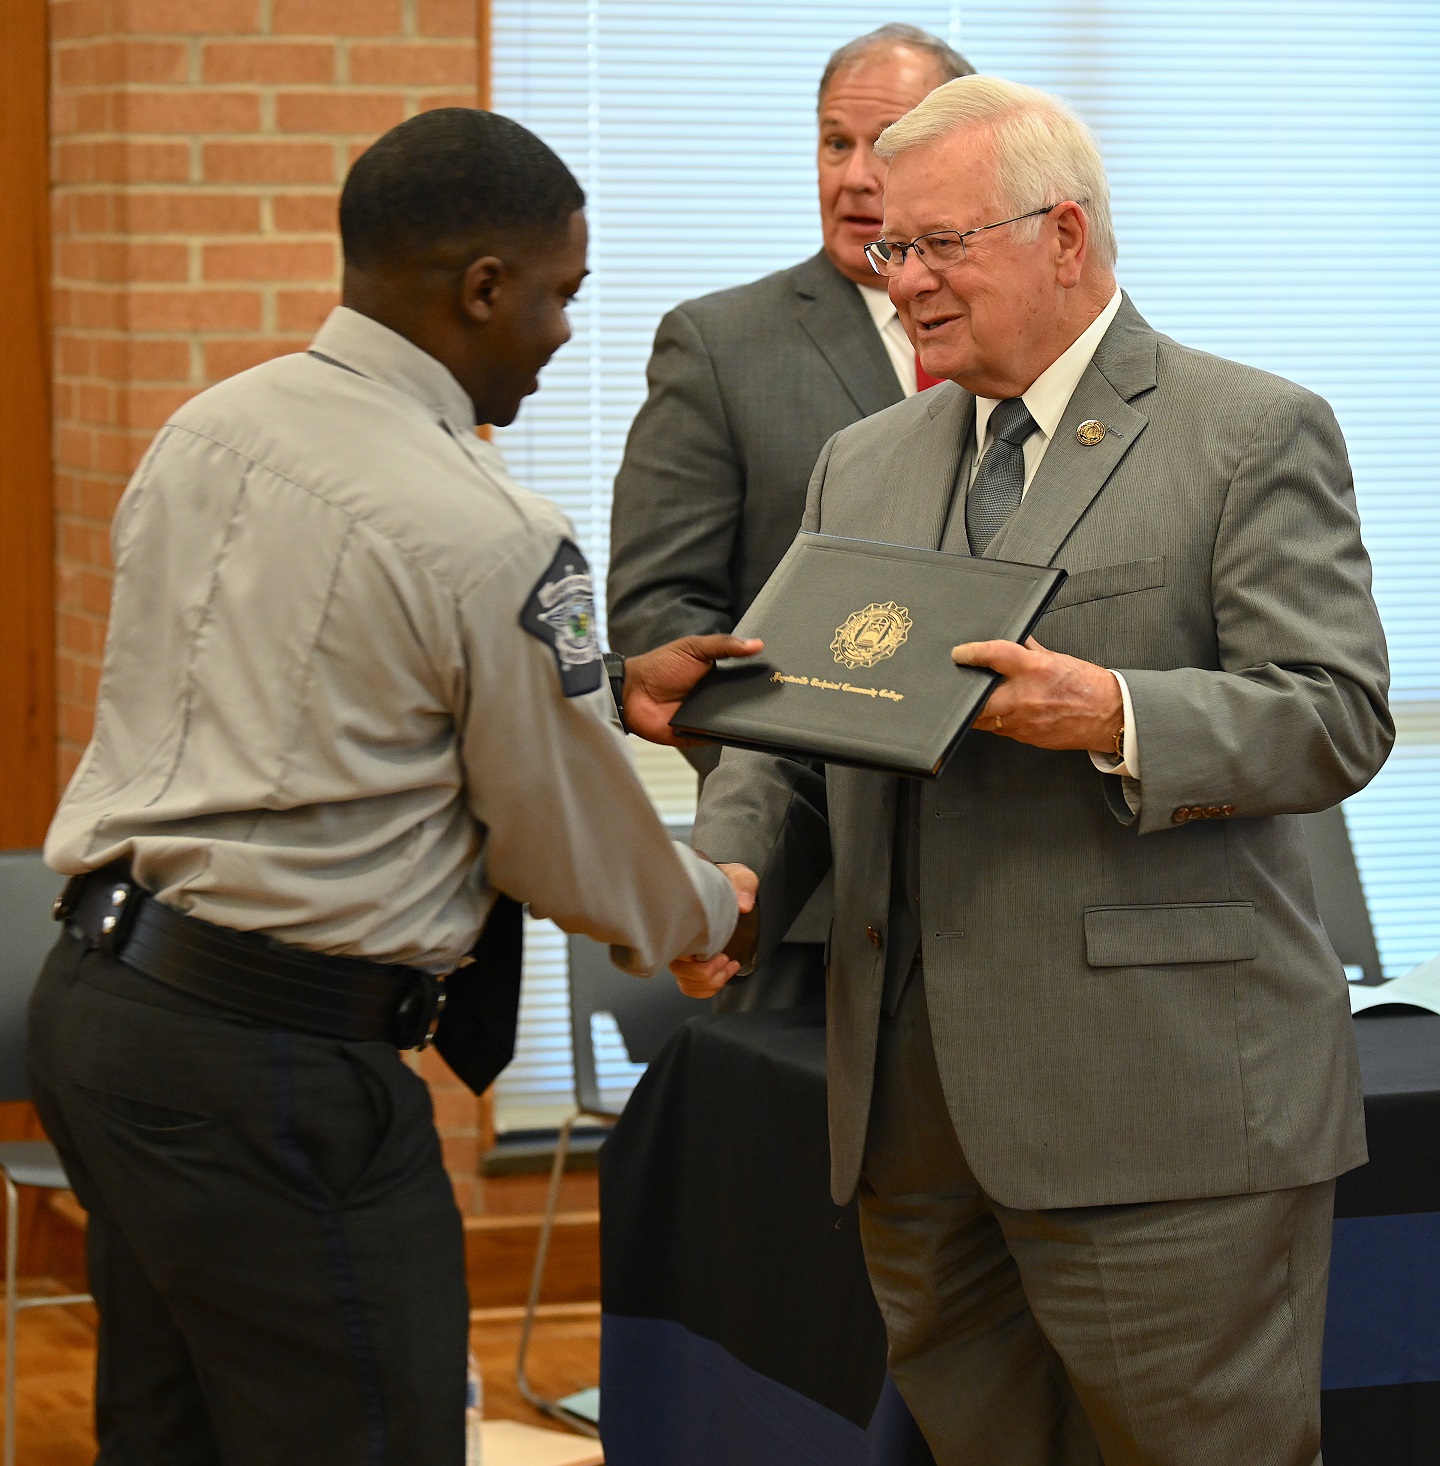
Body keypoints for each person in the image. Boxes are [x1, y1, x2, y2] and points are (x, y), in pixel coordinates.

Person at [674, 75, 1393, 1465]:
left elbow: (1334, 712)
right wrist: (738, 863)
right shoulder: (861, 464)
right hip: (911, 1126)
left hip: (1161, 1116)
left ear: (1066, 235)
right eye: (892, 249)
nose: (907, 283)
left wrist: (1114, 709)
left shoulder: (1247, 431)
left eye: (944, 245)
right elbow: (804, 722)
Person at [29, 108, 755, 1466]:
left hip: (107, 1012)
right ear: (484, 287)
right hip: (279, 1064)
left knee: (168, 1430)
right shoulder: (491, 529)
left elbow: (345, 698)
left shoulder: (207, 428)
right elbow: (567, 838)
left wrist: (602, 680)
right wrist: (712, 909)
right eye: (560, 295)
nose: (561, 335)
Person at [608, 22, 972, 1011]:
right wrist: (789, 804)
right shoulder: (721, 346)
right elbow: (655, 619)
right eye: (833, 143)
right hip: (806, 909)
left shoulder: (1016, 350)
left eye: (885, 143)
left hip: (997, 902)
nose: (855, 177)